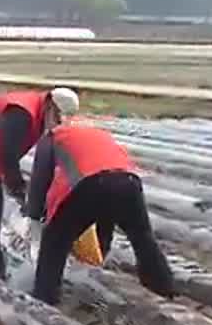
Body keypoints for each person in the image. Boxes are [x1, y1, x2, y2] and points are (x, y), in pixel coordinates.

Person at [22, 115, 178, 305]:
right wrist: (101, 249)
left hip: (92, 183)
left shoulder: (52, 137)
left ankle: (44, 298)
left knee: (54, 242)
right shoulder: (99, 134)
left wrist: (34, 216)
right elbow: (106, 212)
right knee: (143, 238)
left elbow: (40, 181)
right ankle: (164, 287)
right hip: (128, 182)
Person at [0, 86, 79, 279]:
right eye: (58, 116)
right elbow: (7, 156)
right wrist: (19, 190)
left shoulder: (35, 109)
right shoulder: (22, 113)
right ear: (51, 105)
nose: (58, 123)